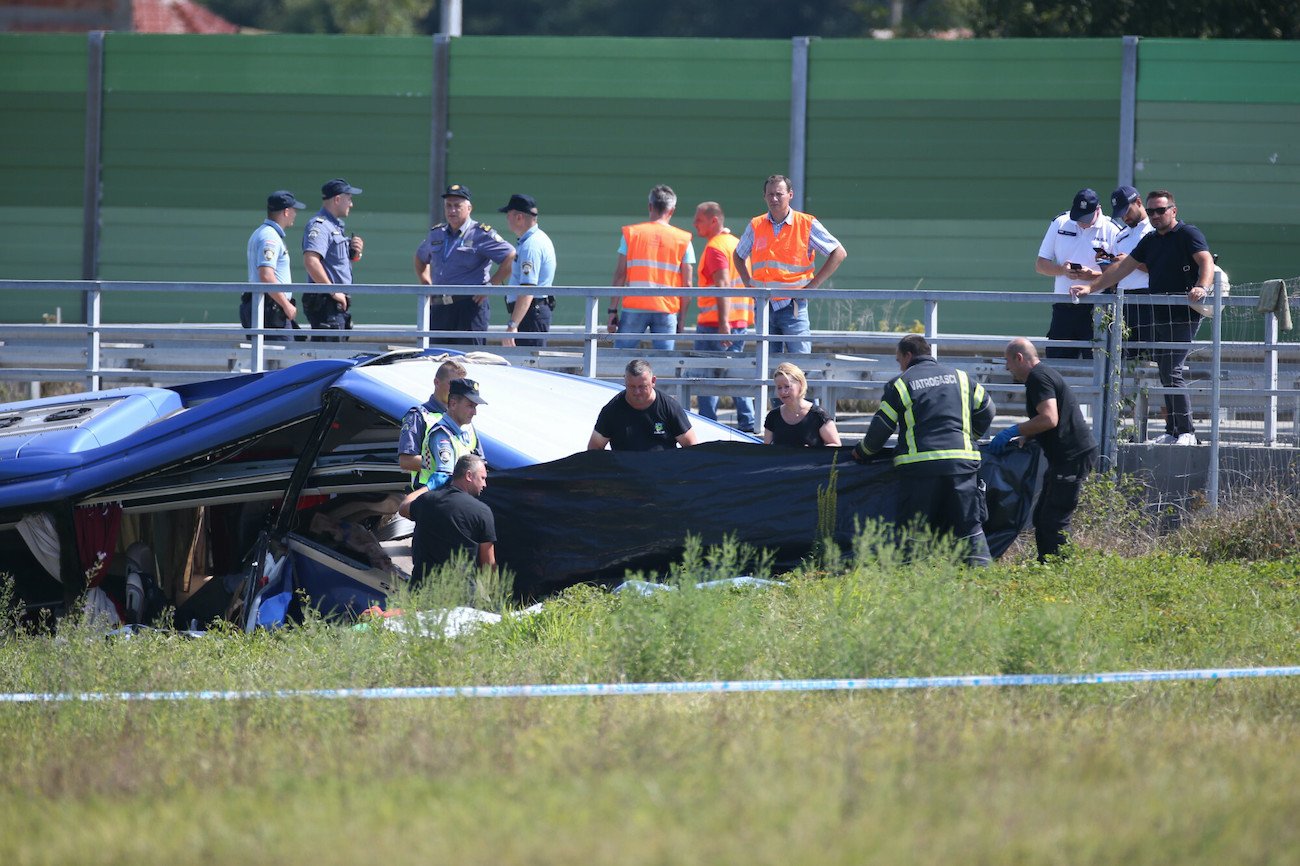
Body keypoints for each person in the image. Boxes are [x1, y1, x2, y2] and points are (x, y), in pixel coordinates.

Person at [1072, 189, 1214, 444]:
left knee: (1172, 370)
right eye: (1151, 211)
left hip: (1183, 312)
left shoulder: (1187, 233)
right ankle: (1173, 431)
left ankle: (1187, 432)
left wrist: (1201, 287)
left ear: (1173, 210)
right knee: (1165, 371)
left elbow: (1206, 261)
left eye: (1161, 210)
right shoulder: (1150, 240)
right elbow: (1121, 268)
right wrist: (1090, 288)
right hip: (1158, 312)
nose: (1156, 215)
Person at [852, 334, 995, 566]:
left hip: (920, 468)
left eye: (899, 360)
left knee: (915, 531)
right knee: (969, 528)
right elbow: (988, 410)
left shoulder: (901, 384)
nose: (899, 366)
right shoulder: (961, 377)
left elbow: (882, 428)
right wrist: (970, 437)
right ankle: (983, 576)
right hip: (961, 464)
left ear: (908, 355)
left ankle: (913, 577)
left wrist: (863, 452)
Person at [989, 338, 1099, 561]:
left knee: (1053, 519)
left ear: (1019, 358)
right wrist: (1027, 434)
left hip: (1072, 456)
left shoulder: (1038, 378)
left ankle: (1061, 567)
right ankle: (1046, 564)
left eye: (1008, 362)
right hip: (1064, 457)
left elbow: (1049, 418)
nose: (1007, 368)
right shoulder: (1041, 375)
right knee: (1041, 516)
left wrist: (1013, 430)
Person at [733, 174, 846, 355]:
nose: (774, 199)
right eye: (770, 194)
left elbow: (839, 253)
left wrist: (812, 286)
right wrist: (749, 285)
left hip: (793, 305)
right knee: (766, 364)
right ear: (764, 197)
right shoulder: (756, 224)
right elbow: (738, 255)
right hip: (764, 305)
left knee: (800, 363)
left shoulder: (806, 223)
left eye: (779, 194)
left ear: (790, 195)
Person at [416, 183, 516, 346]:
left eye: (457, 206)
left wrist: (491, 285)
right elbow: (420, 258)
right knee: (436, 357)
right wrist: (426, 283)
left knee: (469, 357)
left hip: (469, 306)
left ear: (469, 208)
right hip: (440, 307)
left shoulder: (480, 233)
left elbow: (511, 257)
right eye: (448, 206)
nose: (452, 210)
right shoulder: (437, 233)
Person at [691, 201, 756, 432]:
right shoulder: (735, 244)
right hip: (739, 320)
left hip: (715, 324)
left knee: (706, 375)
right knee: (735, 373)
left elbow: (723, 284)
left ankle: (707, 424)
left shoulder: (715, 247)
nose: (694, 223)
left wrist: (722, 323)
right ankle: (748, 423)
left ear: (714, 221)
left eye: (699, 219)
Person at [1034, 188, 1119, 359]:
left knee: (1097, 363)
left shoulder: (1112, 229)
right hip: (1063, 306)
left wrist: (1091, 276)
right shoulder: (1060, 223)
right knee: (1058, 362)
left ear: (1098, 210)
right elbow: (1040, 265)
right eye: (1078, 217)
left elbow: (1119, 275)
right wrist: (1062, 270)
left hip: (1097, 307)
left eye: (1086, 218)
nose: (1081, 222)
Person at [608, 184, 695, 351]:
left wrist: (612, 310)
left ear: (650, 206)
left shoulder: (631, 234)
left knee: (620, 358)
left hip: (634, 307)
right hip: (666, 309)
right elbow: (688, 284)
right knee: (665, 361)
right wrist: (681, 319)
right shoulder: (684, 239)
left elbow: (620, 275)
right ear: (672, 210)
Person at [399, 454, 496, 587]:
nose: (484, 484)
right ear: (469, 476)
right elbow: (488, 564)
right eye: (482, 478)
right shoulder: (482, 512)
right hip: (459, 594)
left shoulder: (428, 501)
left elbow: (403, 507)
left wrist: (429, 487)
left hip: (422, 589)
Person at [302, 178, 364, 342]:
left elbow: (335, 263)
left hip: (335, 303)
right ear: (337, 199)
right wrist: (334, 292)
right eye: (349, 199)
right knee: (329, 353)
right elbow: (311, 261)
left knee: (336, 350)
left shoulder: (334, 226)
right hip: (327, 304)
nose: (351, 204)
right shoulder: (320, 226)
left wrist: (354, 254)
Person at [588, 359, 698, 451]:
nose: (637, 392)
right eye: (631, 386)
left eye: (642, 387)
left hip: (662, 469)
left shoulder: (670, 407)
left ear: (653, 381)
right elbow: (594, 448)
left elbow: (692, 447)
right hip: (625, 469)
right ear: (625, 381)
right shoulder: (612, 410)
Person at [397, 358, 472, 486]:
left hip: (459, 492)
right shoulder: (419, 415)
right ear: (436, 382)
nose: (457, 391)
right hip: (428, 493)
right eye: (453, 385)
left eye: (461, 386)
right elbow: (406, 461)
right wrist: (443, 464)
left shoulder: (467, 419)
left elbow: (479, 460)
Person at [241, 190, 304, 340]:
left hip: (266, 307)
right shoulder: (270, 237)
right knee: (281, 353)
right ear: (286, 212)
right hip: (271, 311)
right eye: (294, 210)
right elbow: (266, 275)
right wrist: (286, 305)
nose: (295, 214)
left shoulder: (262, 232)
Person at [498, 193, 556, 348]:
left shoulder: (531, 246)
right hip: (530, 312)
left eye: (509, 215)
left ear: (519, 217)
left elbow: (528, 289)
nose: (507, 219)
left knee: (527, 360)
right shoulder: (533, 240)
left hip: (530, 314)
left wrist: (513, 325)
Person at [423, 377, 487, 490]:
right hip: (439, 496)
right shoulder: (442, 434)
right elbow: (444, 479)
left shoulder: (469, 430)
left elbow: (480, 465)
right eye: (470, 406)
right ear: (453, 404)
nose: (475, 412)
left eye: (475, 407)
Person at [764, 362, 840, 447]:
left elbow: (835, 445)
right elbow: (766, 451)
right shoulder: (773, 416)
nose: (783, 392)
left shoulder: (818, 415)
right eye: (779, 387)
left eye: (787, 386)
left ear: (800, 384)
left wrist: (811, 452)